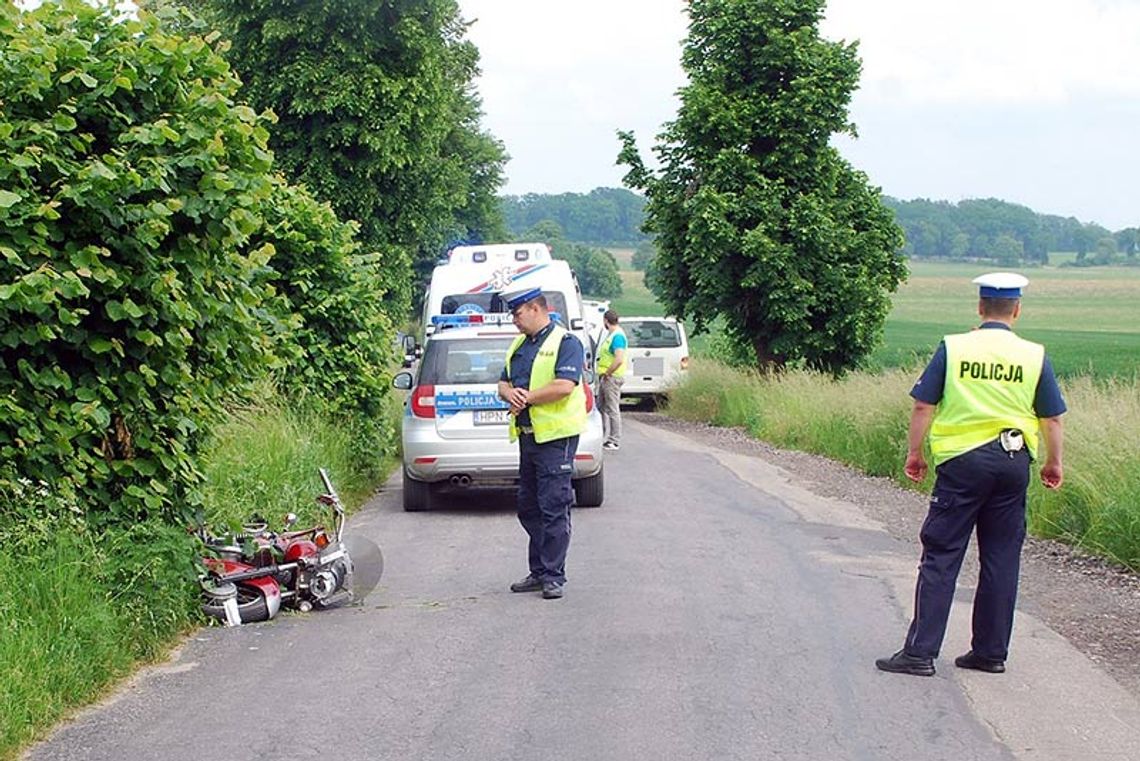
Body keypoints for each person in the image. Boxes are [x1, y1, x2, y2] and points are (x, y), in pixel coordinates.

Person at [876, 272, 1066, 677]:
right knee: (1001, 557)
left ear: (980, 308)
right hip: (1014, 462)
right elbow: (1052, 417)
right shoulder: (1034, 355)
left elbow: (923, 406)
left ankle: (920, 653)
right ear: (1017, 310)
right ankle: (989, 652)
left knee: (943, 554)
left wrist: (915, 453)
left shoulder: (954, 347)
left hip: (962, 463)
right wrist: (1053, 462)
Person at [497, 287, 587, 600]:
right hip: (527, 436)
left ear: (536, 308)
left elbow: (564, 385)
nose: (514, 321)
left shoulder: (566, 343)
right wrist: (509, 393)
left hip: (556, 439)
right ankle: (538, 571)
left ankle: (553, 576)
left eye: (517, 314)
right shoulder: (519, 344)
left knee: (553, 507)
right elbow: (503, 381)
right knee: (528, 507)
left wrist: (528, 398)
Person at [596, 309, 628, 450]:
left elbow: (619, 358)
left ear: (605, 321)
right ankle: (600, 436)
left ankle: (614, 440)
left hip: (612, 377)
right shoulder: (612, 335)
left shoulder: (617, 337)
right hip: (606, 376)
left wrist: (608, 372)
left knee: (612, 408)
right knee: (600, 407)